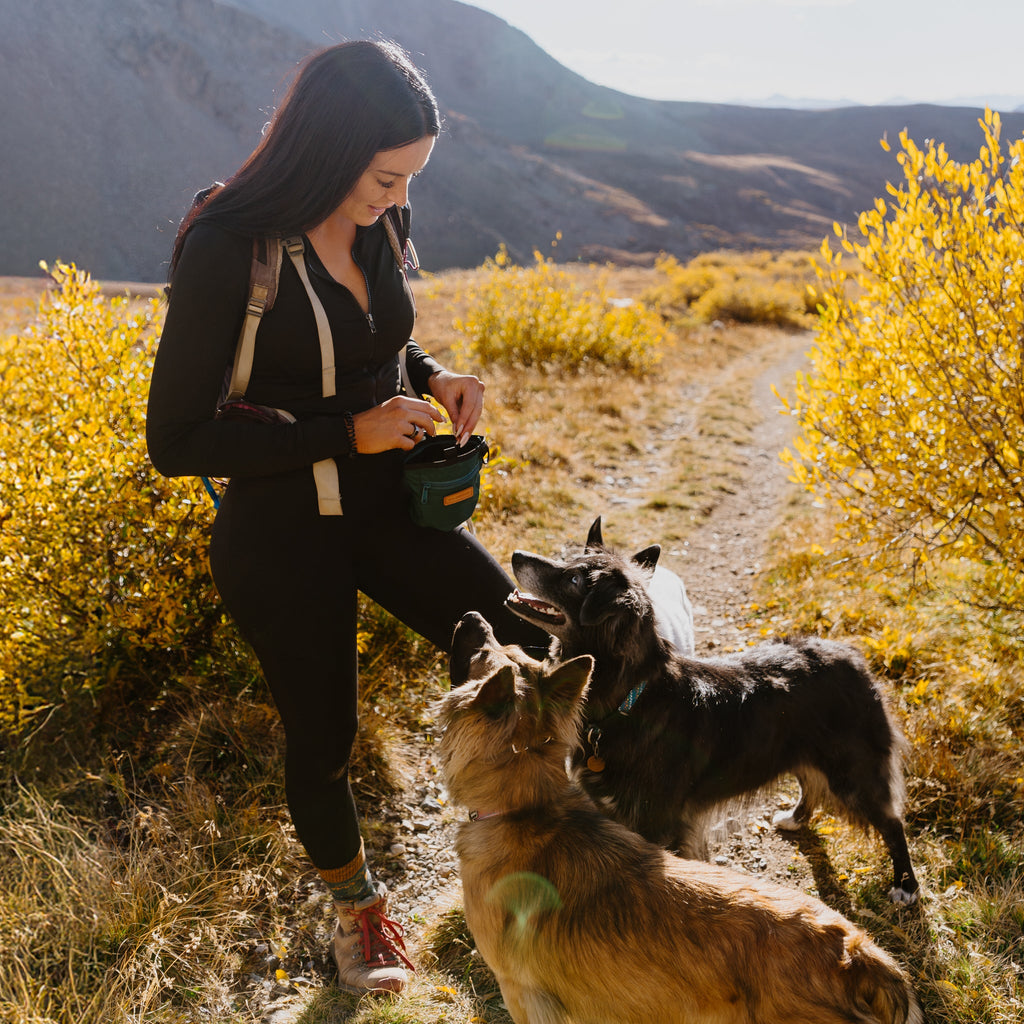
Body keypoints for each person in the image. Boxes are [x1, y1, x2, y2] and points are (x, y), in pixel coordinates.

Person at [146, 39, 543, 996]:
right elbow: (178, 440)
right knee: (324, 740)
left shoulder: (374, 224)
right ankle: (359, 915)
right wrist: (344, 432)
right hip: (281, 536)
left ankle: (521, 857)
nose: (400, 198)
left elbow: (375, 343)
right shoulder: (226, 245)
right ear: (329, 149)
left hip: (388, 507)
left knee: (514, 648)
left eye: (411, 178)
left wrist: (428, 373)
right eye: (386, 176)